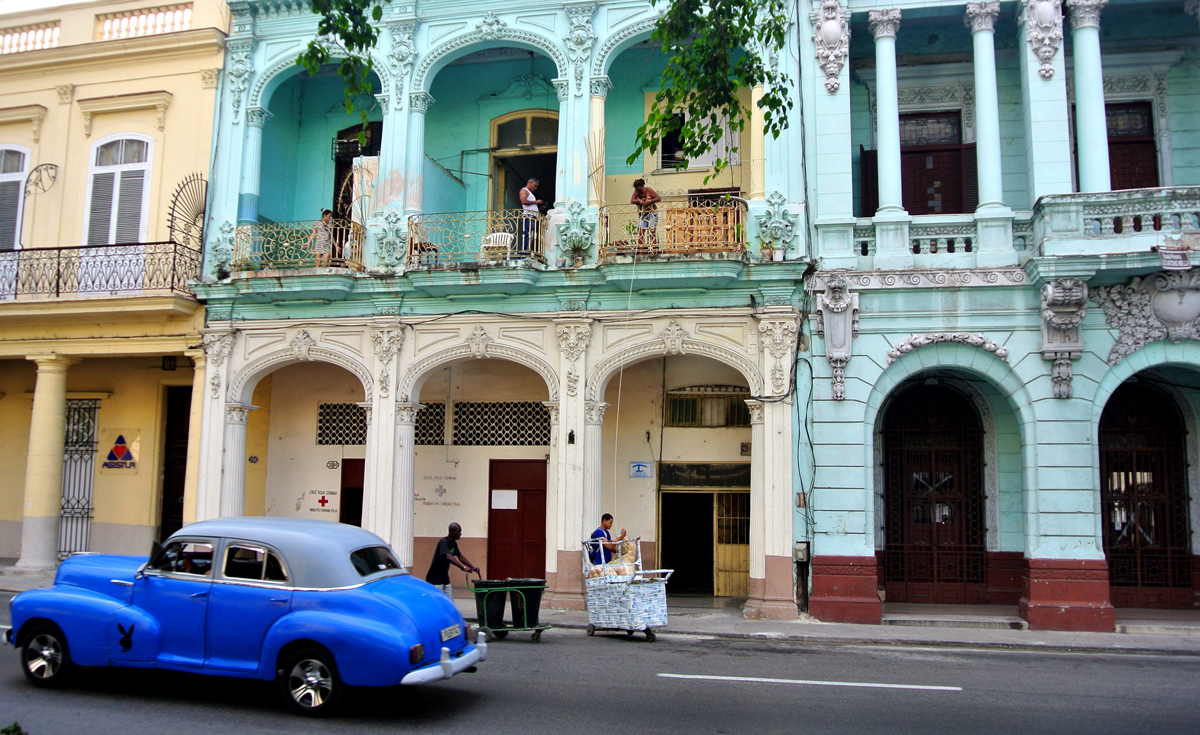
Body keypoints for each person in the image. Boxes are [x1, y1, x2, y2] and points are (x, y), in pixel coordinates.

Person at [426, 522, 479, 597]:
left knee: (450, 603)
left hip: (444, 578)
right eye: (458, 532)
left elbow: (460, 557)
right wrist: (463, 568)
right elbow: (448, 557)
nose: (460, 534)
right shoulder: (443, 542)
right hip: (435, 579)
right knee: (439, 603)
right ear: (451, 532)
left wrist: (472, 567)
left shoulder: (453, 543)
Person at [631, 179, 661, 247]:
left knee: (652, 231)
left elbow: (658, 198)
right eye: (637, 190)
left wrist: (650, 201)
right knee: (640, 231)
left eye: (640, 189)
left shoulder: (649, 190)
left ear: (643, 186)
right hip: (643, 214)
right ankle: (641, 249)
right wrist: (639, 201)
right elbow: (632, 200)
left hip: (652, 212)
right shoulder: (636, 192)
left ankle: (653, 248)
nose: (639, 191)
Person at [518, 178, 543, 256]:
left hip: (531, 217)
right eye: (535, 186)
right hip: (528, 217)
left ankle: (525, 253)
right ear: (530, 182)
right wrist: (536, 201)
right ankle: (523, 254)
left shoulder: (529, 193)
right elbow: (524, 201)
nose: (535, 188)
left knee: (530, 236)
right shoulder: (524, 190)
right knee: (527, 236)